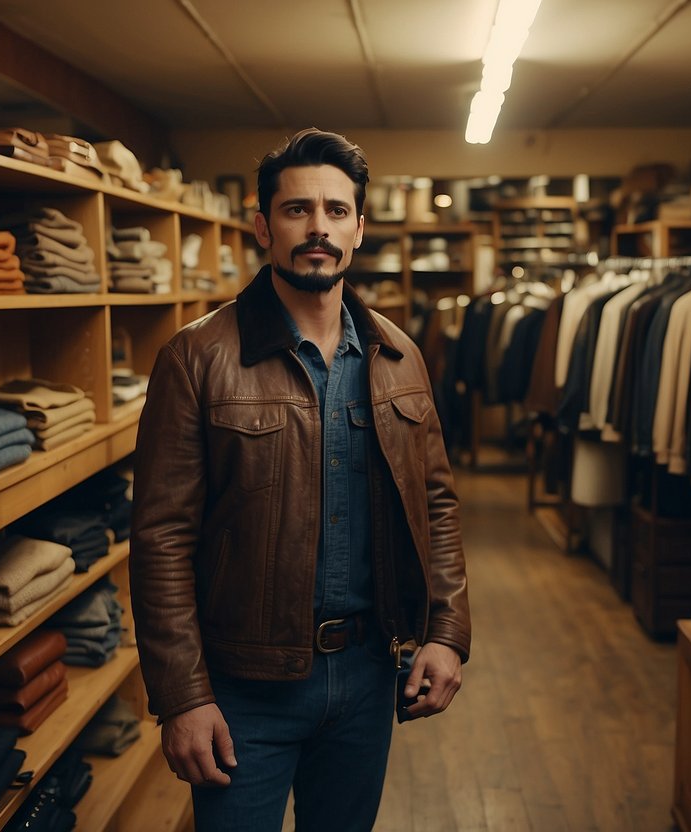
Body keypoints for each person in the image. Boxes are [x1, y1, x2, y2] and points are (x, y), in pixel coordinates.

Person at [129, 128, 471, 831]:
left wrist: (445, 632)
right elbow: (160, 538)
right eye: (296, 210)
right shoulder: (196, 357)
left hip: (369, 674)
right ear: (262, 226)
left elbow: (434, 506)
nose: (318, 227)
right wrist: (183, 696)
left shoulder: (397, 354)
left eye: (336, 211)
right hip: (240, 689)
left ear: (358, 228)